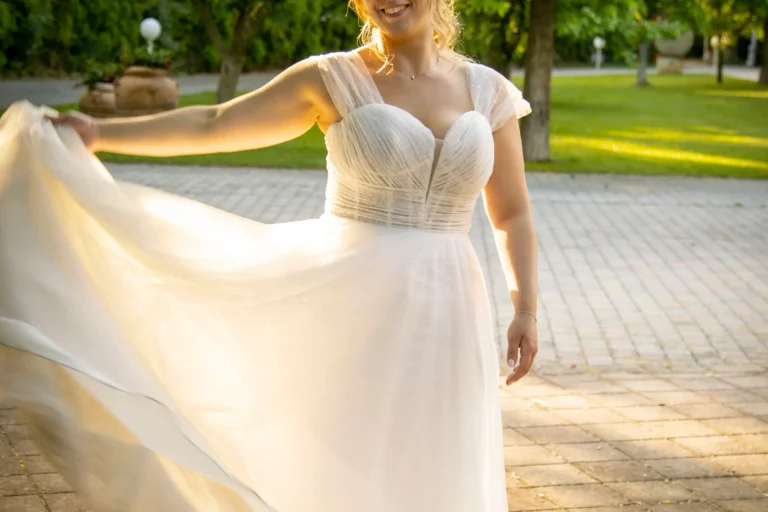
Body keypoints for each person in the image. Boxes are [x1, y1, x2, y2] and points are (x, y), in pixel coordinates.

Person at [0, 0, 538, 510]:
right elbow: (216, 124)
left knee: (439, 450)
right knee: (347, 450)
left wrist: (525, 308)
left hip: (450, 309)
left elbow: (510, 212)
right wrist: (99, 132)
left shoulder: (487, 90)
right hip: (353, 301)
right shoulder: (332, 78)